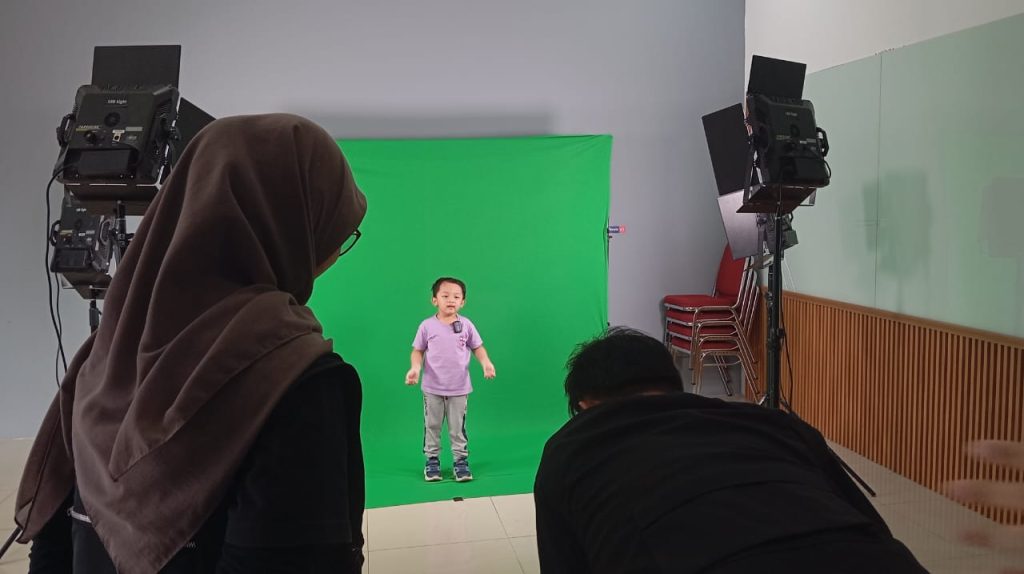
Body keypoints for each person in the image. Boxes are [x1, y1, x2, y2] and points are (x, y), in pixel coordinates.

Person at [12, 114, 368, 573]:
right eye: (336, 231)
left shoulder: (106, 352)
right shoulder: (294, 377)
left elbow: (53, 543)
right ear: (291, 224)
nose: (335, 251)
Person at [534, 327, 928, 574]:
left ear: (585, 405)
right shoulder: (775, 424)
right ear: (674, 386)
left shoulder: (569, 450)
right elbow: (870, 523)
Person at [405, 277, 496, 482]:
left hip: (459, 388)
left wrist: (486, 363)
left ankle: (460, 461)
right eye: (445, 296)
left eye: (456, 296)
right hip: (432, 388)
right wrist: (415, 368)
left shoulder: (466, 325)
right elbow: (417, 351)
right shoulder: (427, 326)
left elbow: (477, 347)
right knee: (432, 425)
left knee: (458, 428)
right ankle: (432, 461)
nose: (451, 300)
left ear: (463, 302)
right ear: (434, 300)